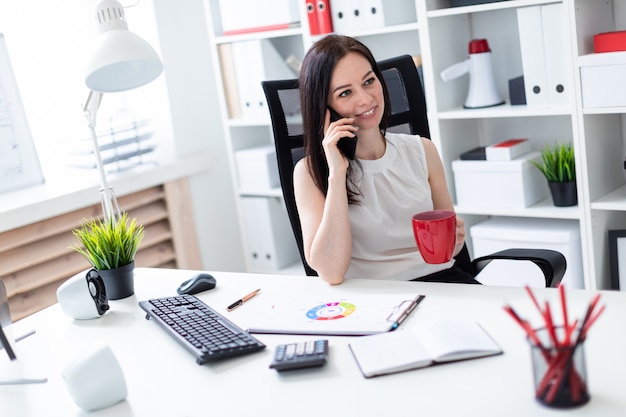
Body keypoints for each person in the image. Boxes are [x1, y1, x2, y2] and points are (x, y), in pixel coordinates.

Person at [293, 34, 480, 285]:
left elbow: (450, 252)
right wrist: (337, 175)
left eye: (369, 81)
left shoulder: (422, 150)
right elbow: (331, 272)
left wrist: (455, 240)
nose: (365, 99)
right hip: (374, 299)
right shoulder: (309, 172)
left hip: (442, 284)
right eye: (345, 92)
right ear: (323, 107)